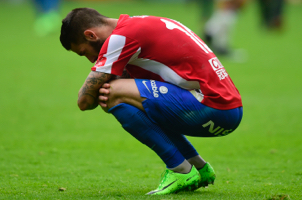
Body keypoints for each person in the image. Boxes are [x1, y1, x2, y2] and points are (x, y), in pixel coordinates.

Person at [60, 8, 243, 195]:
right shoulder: (142, 24)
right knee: (131, 96)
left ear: (90, 35)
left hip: (214, 108)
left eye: (84, 53)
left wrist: (101, 82)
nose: (92, 59)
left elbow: (84, 101)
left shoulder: (121, 38)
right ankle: (198, 167)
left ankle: (180, 170)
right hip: (227, 108)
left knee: (112, 94)